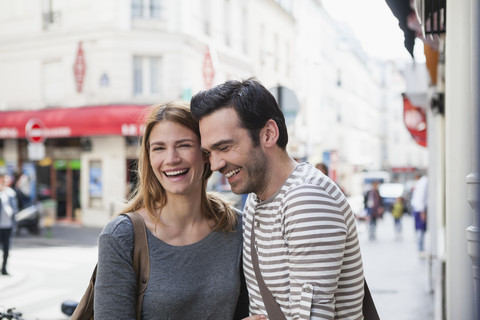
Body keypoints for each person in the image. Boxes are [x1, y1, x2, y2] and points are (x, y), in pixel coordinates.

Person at [191, 78, 365, 319]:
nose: (216, 163)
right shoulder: (256, 200)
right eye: (209, 152)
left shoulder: (306, 200)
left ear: (269, 134)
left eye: (225, 147)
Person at [93, 101, 249, 319]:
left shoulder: (238, 228)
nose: (171, 159)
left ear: (205, 152)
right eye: (159, 148)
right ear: (149, 157)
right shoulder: (121, 236)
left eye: (184, 145)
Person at [0, 170, 18, 275]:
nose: (5, 181)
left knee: (6, 249)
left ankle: (4, 268)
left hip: (8, 226)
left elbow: (14, 209)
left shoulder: (10, 193)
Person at [410, 174, 428, 254]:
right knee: (421, 229)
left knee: (419, 229)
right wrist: (422, 211)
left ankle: (420, 248)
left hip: (417, 208)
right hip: (420, 209)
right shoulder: (424, 182)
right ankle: (420, 248)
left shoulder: (420, 182)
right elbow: (421, 197)